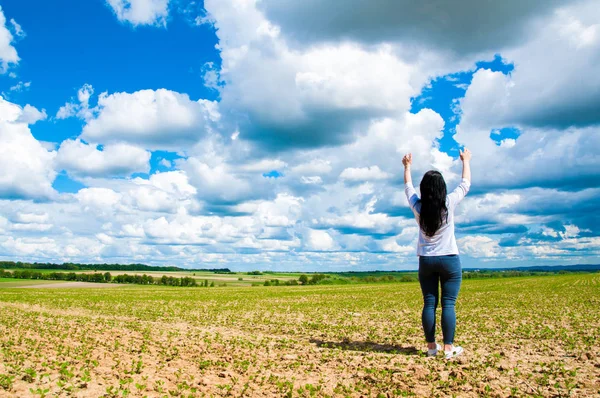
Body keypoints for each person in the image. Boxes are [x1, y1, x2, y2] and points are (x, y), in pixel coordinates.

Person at [402, 149, 471, 359]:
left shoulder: (418, 207)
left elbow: (408, 188)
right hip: (450, 258)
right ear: (442, 189)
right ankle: (449, 349)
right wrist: (465, 161)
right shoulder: (448, 204)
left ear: (424, 189)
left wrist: (407, 167)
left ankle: (432, 348)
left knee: (429, 303)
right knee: (448, 304)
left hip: (426, 261)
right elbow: (465, 184)